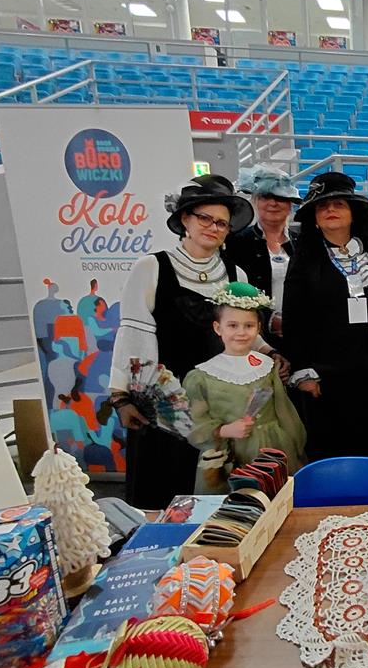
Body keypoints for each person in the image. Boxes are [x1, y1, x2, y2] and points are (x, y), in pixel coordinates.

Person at [109, 175, 283, 508]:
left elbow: (243, 330)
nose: (213, 227)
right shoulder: (151, 268)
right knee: (165, 494)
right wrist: (122, 396)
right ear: (185, 220)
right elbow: (133, 334)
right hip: (165, 403)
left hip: (220, 402)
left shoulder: (236, 275)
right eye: (205, 218)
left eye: (222, 223)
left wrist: (269, 351)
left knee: (217, 494)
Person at [282, 172, 368, 462]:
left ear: (353, 213)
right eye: (323, 206)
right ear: (315, 219)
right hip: (326, 375)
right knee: (332, 448)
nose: (331, 210)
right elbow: (293, 319)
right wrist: (303, 369)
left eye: (339, 204)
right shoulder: (304, 258)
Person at [183, 283, 306, 493]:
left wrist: (295, 447)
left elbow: (285, 411)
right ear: (218, 328)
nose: (241, 332)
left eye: (248, 326)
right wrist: (224, 430)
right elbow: (193, 423)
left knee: (276, 500)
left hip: (272, 450)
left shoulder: (268, 366)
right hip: (229, 456)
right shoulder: (201, 376)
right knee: (237, 504)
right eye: (232, 325)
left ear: (258, 328)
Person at [224, 165, 301, 351]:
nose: (273, 203)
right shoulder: (235, 243)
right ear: (255, 200)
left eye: (280, 198)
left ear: (290, 204)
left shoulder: (303, 243)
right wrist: (270, 320)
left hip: (300, 334)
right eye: (266, 197)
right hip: (252, 336)